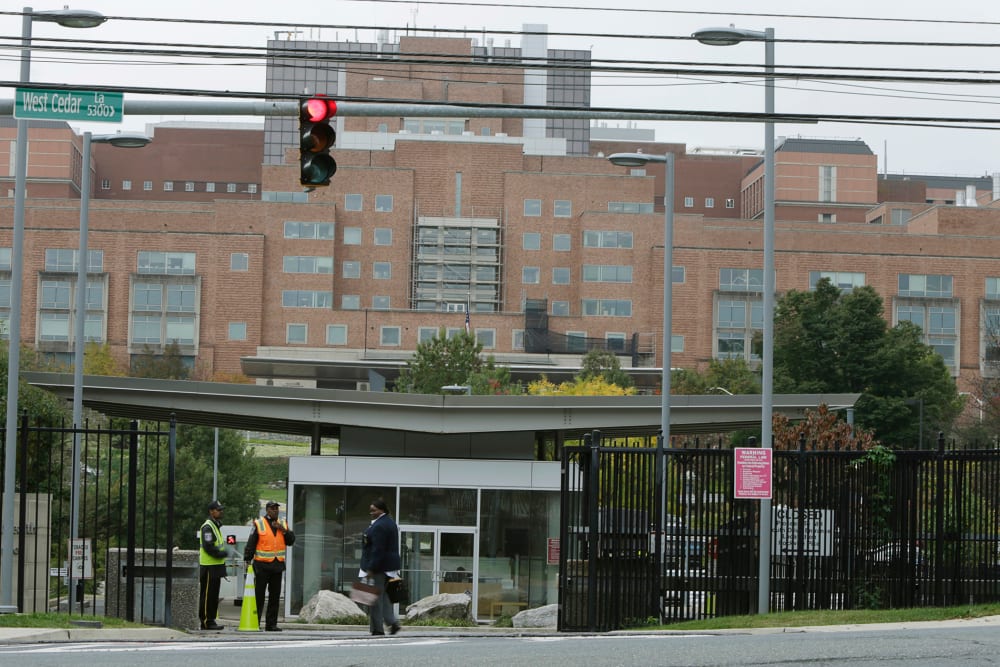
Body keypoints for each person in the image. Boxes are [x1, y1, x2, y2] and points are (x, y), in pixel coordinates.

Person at [244, 500, 296, 631]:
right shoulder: (259, 524)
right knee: (259, 596)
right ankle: (255, 622)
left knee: (275, 597)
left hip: (277, 565)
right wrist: (247, 559)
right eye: (272, 509)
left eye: (276, 509)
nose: (275, 511)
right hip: (262, 566)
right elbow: (251, 543)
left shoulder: (282, 524)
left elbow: (291, 541)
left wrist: (283, 530)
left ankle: (271, 624)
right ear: (267, 510)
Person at [360, 498, 402, 636]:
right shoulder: (389, 522)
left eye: (374, 510)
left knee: (374, 598)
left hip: (379, 567)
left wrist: (371, 569)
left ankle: (377, 629)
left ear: (382, 510)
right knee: (382, 596)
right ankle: (392, 623)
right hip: (386, 567)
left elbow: (378, 550)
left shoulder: (379, 526)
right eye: (370, 510)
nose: (371, 512)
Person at [199, 499, 230, 631]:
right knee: (207, 596)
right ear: (211, 511)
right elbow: (209, 547)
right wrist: (222, 554)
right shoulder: (207, 527)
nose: (221, 512)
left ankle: (211, 620)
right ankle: (206, 621)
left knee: (213, 596)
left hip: (215, 567)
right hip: (209, 567)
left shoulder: (215, 526)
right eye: (218, 510)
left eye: (221, 509)